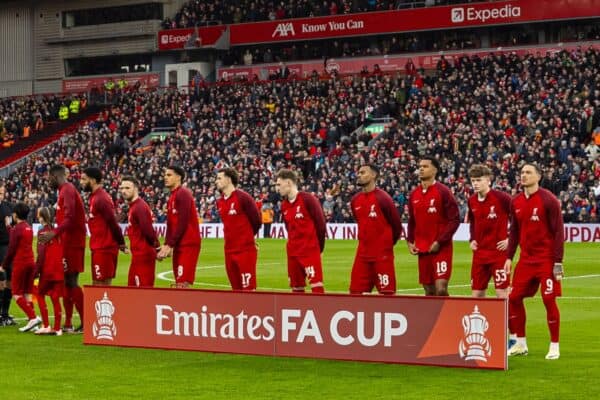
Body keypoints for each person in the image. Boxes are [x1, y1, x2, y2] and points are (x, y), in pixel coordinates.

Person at [506, 163, 564, 360]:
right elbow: (513, 232)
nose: (524, 175)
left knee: (548, 299)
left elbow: (558, 231)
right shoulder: (516, 202)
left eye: (528, 172)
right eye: (522, 172)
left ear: (538, 176)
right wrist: (508, 257)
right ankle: (520, 343)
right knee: (513, 298)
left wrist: (558, 261)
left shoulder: (549, 200)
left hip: (546, 259)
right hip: (526, 260)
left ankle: (554, 345)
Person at [39, 164, 86, 333]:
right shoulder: (63, 191)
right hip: (67, 242)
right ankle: (68, 323)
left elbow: (71, 217)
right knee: (67, 281)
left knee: (72, 280)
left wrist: (54, 233)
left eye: (48, 179)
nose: (47, 182)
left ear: (54, 176)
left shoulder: (67, 189)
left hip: (73, 243)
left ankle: (86, 321)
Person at [407, 156, 460, 296]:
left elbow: (454, 219)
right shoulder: (414, 194)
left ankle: (447, 317)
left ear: (435, 170)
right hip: (423, 249)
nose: (421, 169)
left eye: (425, 166)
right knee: (429, 291)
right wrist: (410, 241)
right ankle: (433, 318)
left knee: (441, 289)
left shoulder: (443, 191)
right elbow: (412, 220)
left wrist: (440, 241)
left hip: (441, 248)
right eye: (420, 166)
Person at [349, 164, 403, 295]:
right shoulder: (355, 200)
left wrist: (386, 245)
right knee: (355, 294)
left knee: (387, 295)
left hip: (382, 255)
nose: (359, 175)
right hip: (362, 254)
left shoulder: (383, 198)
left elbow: (396, 225)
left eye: (363, 172)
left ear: (373, 175)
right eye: (359, 173)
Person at [276, 169, 326, 293]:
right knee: (296, 287)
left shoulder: (308, 199)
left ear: (288, 183)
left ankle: (321, 311)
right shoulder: (284, 205)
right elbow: (288, 228)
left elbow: (321, 225)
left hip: (309, 250)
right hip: (293, 252)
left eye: (279, 184)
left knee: (316, 284)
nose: (277, 188)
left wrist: (319, 248)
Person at [467, 164, 512, 298]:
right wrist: (472, 239)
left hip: (499, 254)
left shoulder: (502, 198)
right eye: (473, 180)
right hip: (480, 254)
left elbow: (518, 219)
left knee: (502, 293)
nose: (475, 184)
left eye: (479, 180)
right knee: (476, 294)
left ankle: (507, 319)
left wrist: (509, 239)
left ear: (488, 180)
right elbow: (473, 221)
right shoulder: (472, 200)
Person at [80, 167, 127, 286]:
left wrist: (121, 243)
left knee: (101, 285)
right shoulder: (95, 196)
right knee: (98, 284)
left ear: (93, 181)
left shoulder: (101, 198)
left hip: (104, 248)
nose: (81, 182)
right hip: (99, 246)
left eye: (84, 179)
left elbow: (112, 223)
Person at [215, 168, 261, 290]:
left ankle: (251, 309)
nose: (216, 181)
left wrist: (248, 239)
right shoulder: (219, 202)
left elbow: (256, 221)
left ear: (229, 179)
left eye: (219, 178)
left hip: (245, 250)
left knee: (248, 288)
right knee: (235, 289)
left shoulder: (243, 197)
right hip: (229, 250)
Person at [157, 166, 201, 288]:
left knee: (183, 283)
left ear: (179, 177)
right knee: (179, 283)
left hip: (188, 243)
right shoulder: (172, 197)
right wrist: (166, 245)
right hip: (179, 244)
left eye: (169, 175)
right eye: (165, 175)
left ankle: (187, 306)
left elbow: (183, 222)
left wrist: (170, 244)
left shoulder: (183, 194)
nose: (165, 177)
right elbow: (171, 224)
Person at [0, 203, 40, 332]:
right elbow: (15, 233)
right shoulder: (27, 227)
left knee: (16, 294)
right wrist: (8, 226)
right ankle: (33, 323)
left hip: (20, 264)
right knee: (27, 293)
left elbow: (11, 250)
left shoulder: (17, 229)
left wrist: (3, 266)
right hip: (31, 263)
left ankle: (33, 317)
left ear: (15, 214)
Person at [119, 176, 159, 287]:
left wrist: (157, 248)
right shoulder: (134, 206)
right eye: (122, 188)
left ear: (136, 189)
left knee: (143, 292)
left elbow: (148, 231)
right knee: (133, 290)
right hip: (137, 255)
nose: (123, 191)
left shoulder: (139, 207)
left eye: (127, 188)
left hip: (143, 255)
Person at [35, 207, 64, 335]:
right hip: (58, 270)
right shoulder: (56, 232)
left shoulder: (42, 233)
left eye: (38, 215)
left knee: (39, 294)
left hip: (47, 270)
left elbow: (41, 255)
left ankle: (46, 325)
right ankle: (58, 328)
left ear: (41, 217)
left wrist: (36, 272)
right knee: (55, 298)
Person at [0, 186, 15, 326]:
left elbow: (12, 226)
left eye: (2, 193)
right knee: (1, 280)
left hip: (7, 247)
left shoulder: (8, 207)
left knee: (10, 279)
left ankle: (5, 313)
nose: (1, 195)